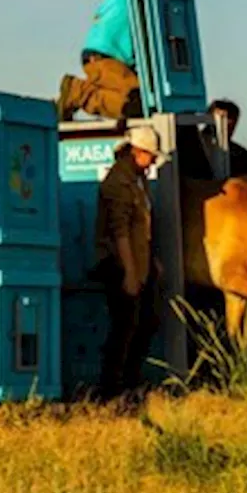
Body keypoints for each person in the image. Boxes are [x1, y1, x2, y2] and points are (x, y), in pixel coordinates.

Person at [93, 125, 167, 405]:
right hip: (118, 264)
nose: (153, 162)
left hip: (139, 262)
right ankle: (111, 390)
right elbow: (119, 231)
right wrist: (131, 273)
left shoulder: (138, 181)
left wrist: (151, 260)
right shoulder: (118, 184)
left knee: (146, 322)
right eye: (152, 156)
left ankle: (130, 382)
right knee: (124, 327)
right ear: (138, 152)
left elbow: (141, 228)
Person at [57, 0, 177, 122]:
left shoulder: (145, 0)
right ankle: (77, 91)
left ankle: (81, 92)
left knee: (143, 103)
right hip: (104, 54)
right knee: (136, 103)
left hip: (117, 60)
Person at [208, 98, 247, 177]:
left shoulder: (240, 154)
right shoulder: (194, 149)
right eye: (224, 118)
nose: (229, 122)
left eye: (232, 117)